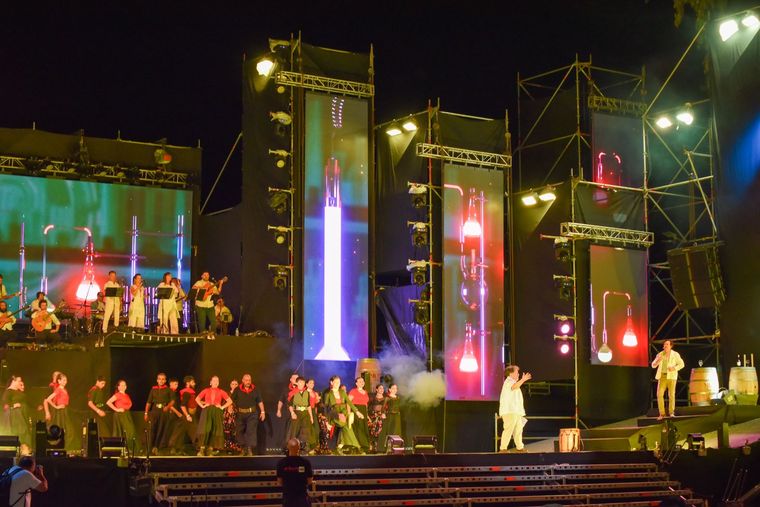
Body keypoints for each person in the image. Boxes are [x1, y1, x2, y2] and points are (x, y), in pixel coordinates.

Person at [323, 375, 364, 454]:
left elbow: (349, 402)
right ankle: (357, 447)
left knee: (347, 428)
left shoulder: (342, 392)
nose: (338, 384)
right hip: (334, 414)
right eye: (336, 382)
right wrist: (327, 422)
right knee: (346, 426)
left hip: (344, 413)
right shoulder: (328, 394)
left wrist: (357, 412)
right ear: (331, 382)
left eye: (339, 382)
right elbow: (326, 408)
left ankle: (339, 447)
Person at [195, 376, 232, 456]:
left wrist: (222, 407)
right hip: (207, 411)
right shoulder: (206, 390)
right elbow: (197, 399)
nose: (215, 382)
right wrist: (202, 406)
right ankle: (202, 450)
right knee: (205, 429)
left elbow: (230, 401)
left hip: (216, 412)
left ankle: (210, 450)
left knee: (214, 429)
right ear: (210, 382)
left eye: (217, 381)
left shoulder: (221, 391)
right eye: (214, 380)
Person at [498, 365, 531, 453]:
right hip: (509, 411)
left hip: (515, 411)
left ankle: (520, 448)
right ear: (511, 373)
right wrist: (523, 380)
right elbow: (514, 387)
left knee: (518, 429)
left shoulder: (513, 382)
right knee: (509, 429)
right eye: (517, 372)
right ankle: (503, 448)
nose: (518, 374)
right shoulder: (508, 381)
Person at [232, 373, 265, 456]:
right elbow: (231, 400)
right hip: (240, 413)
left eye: (249, 380)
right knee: (239, 431)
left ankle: (249, 449)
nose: (248, 382)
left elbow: (260, 401)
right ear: (242, 381)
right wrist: (230, 408)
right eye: (246, 380)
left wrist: (262, 412)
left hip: (252, 414)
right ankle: (243, 449)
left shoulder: (255, 389)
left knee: (251, 431)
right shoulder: (237, 389)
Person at [652, 340, 685, 420]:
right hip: (662, 377)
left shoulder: (675, 354)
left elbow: (682, 364)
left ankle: (671, 413)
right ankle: (662, 414)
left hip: (672, 377)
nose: (665, 345)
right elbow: (653, 365)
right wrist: (658, 360)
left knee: (671, 395)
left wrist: (674, 368)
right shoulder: (660, 354)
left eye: (667, 344)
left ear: (671, 346)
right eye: (664, 344)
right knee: (659, 394)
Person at [276, 438, 313, 507]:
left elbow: (280, 481)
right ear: (299, 447)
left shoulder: (281, 463)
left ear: (288, 447)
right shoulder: (306, 463)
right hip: (302, 499)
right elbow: (310, 481)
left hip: (288, 499)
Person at [43, 373, 75, 451]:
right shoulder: (58, 389)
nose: (65, 382)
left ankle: (64, 447)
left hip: (65, 411)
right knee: (62, 429)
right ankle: (58, 447)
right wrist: (56, 407)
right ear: (59, 381)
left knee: (68, 430)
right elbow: (48, 399)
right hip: (60, 412)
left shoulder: (64, 390)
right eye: (63, 380)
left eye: (66, 380)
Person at [144, 373, 173, 455]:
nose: (161, 380)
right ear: (157, 380)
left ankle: (156, 447)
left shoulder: (168, 389)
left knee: (161, 429)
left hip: (163, 411)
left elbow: (172, 400)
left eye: (163, 379)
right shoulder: (153, 389)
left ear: (165, 380)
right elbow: (149, 402)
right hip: (154, 411)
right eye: (159, 379)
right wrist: (146, 413)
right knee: (152, 429)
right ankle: (149, 448)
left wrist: (168, 407)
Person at [2, 376, 31, 449]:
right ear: (13, 381)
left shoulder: (18, 391)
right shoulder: (9, 391)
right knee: (20, 431)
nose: (20, 382)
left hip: (22, 414)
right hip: (16, 415)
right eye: (19, 381)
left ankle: (24, 449)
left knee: (24, 432)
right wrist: (13, 405)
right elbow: (5, 404)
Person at [106, 379, 135, 451]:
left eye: (124, 385)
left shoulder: (127, 395)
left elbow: (129, 405)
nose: (123, 386)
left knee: (130, 431)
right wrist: (116, 409)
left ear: (126, 387)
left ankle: (128, 448)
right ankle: (121, 449)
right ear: (118, 387)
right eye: (121, 385)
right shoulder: (117, 395)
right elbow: (108, 402)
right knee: (122, 432)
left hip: (127, 415)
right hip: (120, 415)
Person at [288, 377, 313, 452]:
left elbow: (308, 405)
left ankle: (305, 447)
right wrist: (292, 413)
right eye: (300, 382)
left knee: (306, 430)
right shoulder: (293, 393)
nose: (302, 384)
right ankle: (292, 447)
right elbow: (290, 405)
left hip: (305, 413)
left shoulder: (307, 393)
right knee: (294, 430)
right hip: (297, 413)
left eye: (303, 382)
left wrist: (311, 416)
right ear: (297, 383)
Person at [348, 377, 370, 452]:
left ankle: (364, 446)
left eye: (363, 381)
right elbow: (348, 403)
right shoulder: (353, 391)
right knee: (358, 428)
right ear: (356, 383)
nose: (362, 382)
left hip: (364, 412)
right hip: (356, 410)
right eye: (360, 381)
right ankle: (357, 446)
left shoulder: (365, 392)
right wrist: (349, 413)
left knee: (364, 428)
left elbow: (365, 404)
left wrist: (367, 415)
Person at [378, 384, 401, 453]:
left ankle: (396, 447)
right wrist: (383, 413)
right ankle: (388, 447)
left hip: (397, 416)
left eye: (396, 388)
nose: (395, 390)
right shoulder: (387, 398)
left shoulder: (398, 397)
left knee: (396, 431)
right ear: (390, 389)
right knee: (389, 431)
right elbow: (383, 407)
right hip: (390, 416)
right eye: (393, 388)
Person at [223, 379, 241, 454]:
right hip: (227, 414)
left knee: (235, 431)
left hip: (236, 414)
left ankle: (236, 447)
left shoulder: (240, 393)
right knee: (227, 431)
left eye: (236, 384)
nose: (234, 386)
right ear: (230, 385)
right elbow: (223, 403)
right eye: (233, 384)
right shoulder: (227, 393)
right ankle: (228, 447)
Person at [367, 384, 385, 453]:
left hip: (382, 417)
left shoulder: (385, 399)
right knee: (372, 431)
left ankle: (378, 447)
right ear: (377, 389)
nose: (382, 390)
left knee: (380, 431)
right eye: (380, 388)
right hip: (373, 416)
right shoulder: (372, 398)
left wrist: (383, 414)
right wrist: (369, 416)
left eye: (382, 388)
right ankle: (371, 447)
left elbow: (386, 408)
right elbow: (368, 407)